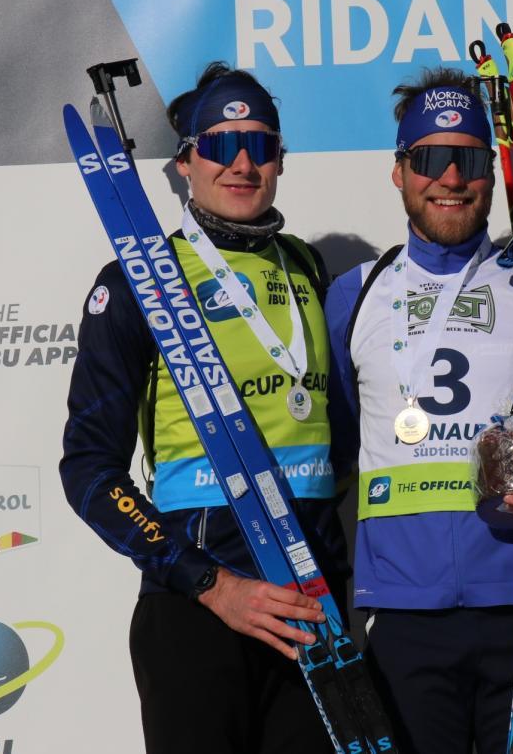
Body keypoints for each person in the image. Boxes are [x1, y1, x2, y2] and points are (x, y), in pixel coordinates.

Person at [324, 67, 513, 754]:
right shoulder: (355, 292)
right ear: (399, 171)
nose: (451, 178)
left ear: (491, 171)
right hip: (401, 618)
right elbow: (336, 443)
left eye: (467, 158)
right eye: (430, 159)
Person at [60, 62, 344, 754]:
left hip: (310, 610)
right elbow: (90, 472)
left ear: (280, 161)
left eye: (261, 145)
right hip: (198, 612)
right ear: (185, 161)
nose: (242, 163)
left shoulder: (308, 269)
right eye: (219, 145)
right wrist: (210, 584)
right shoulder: (139, 278)